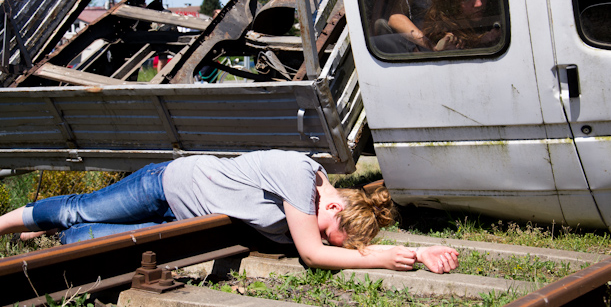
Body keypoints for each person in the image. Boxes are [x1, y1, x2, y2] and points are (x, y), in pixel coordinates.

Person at [0, 150, 459, 273]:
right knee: (77, 210)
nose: (315, 235)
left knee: (83, 240)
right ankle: (8, 223)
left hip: (184, 220)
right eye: (325, 229)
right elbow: (315, 254)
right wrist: (383, 260)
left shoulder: (326, 206)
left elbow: (336, 247)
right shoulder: (299, 177)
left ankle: (38, 232)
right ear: (334, 203)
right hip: (166, 184)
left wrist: (416, 254)